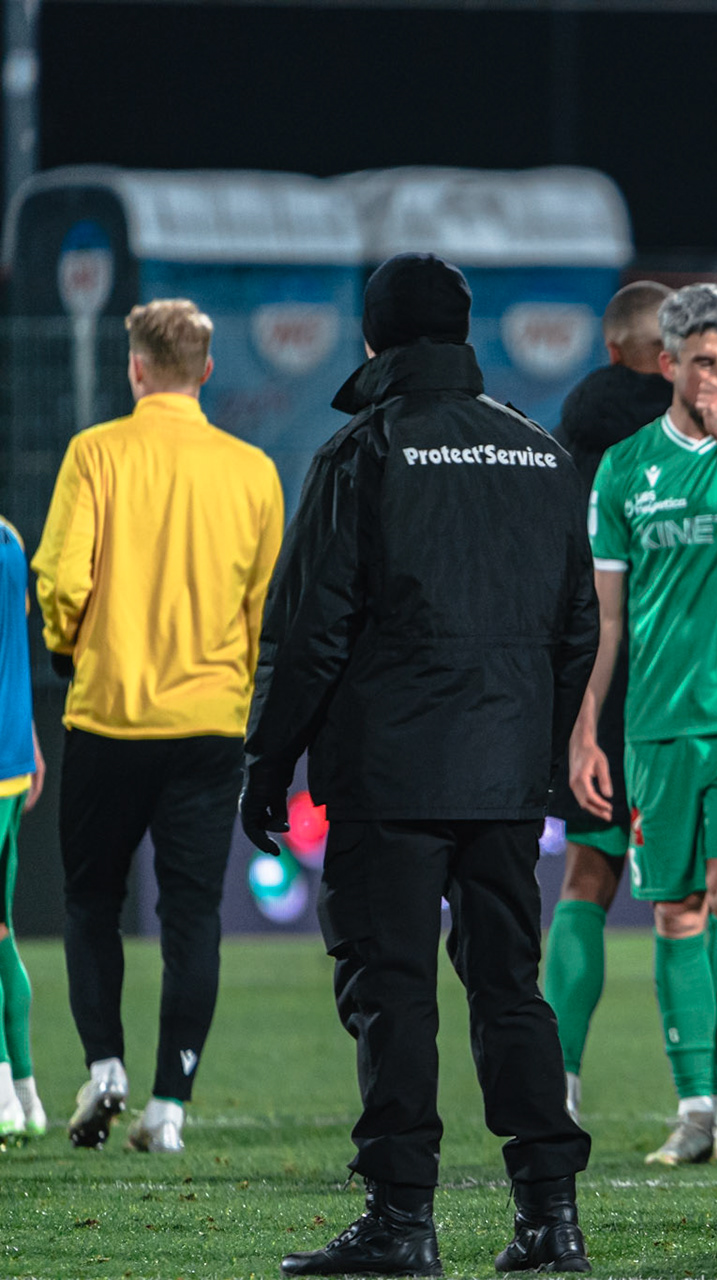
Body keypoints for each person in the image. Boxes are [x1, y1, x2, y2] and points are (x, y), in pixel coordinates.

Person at [243, 253, 595, 1276]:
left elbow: (310, 630)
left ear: (374, 339)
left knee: (392, 991)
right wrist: (541, 736)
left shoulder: (364, 449)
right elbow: (578, 624)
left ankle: (402, 1221)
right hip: (504, 776)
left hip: (387, 774)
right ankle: (550, 1217)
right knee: (509, 988)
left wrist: (269, 763)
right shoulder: (541, 454)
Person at [568, 283, 717, 1166]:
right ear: (667, 364)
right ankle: (696, 1107)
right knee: (673, 911)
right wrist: (586, 725)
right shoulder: (625, 467)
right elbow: (608, 620)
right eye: (704, 364)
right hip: (657, 721)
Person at [32, 298, 284, 1154]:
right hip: (209, 726)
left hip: (108, 717)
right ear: (207, 370)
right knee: (192, 916)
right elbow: (264, 608)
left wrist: (72, 650)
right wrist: (238, 691)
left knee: (91, 901)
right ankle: (169, 1107)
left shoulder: (96, 453)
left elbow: (61, 578)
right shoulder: (252, 470)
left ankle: (104, 1065)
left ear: (135, 367)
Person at [542, 279, 675, 1123]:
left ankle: (559, 1076)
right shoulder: (691, 436)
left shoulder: (568, 442)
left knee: (587, 878)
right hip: (691, 685)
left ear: (608, 343)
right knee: (696, 895)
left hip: (592, 682)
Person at [0, 514, 46, 1139]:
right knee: (2, 929)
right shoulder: (8, 534)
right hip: (8, 759)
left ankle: (4, 1099)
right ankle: (27, 1095)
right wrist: (30, 736)